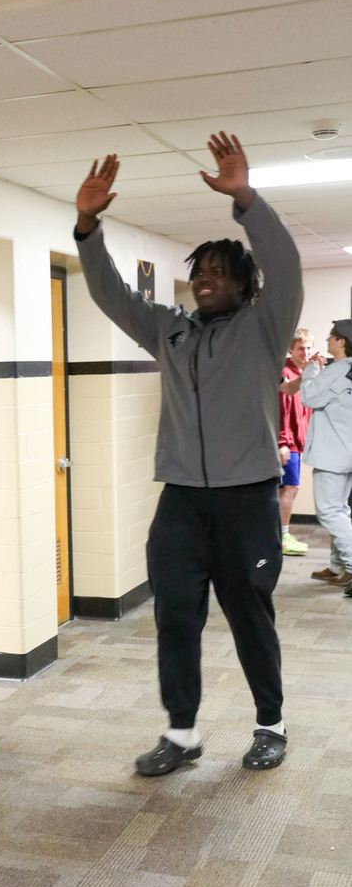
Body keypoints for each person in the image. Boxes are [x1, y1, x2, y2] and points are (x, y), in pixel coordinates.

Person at [74, 132, 302, 775]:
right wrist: (88, 228)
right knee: (176, 619)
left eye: (218, 273)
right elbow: (112, 295)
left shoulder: (265, 326)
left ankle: (270, 724)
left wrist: (246, 200)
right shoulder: (169, 331)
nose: (205, 280)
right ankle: (181, 735)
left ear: (244, 285)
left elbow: (284, 263)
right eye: (199, 272)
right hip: (179, 502)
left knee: (251, 617)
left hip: (246, 501)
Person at [299, 319, 352, 590]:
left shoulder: (337, 371)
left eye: (332, 336)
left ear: (342, 341)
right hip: (345, 452)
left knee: (330, 512)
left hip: (333, 454)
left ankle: (351, 565)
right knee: (340, 509)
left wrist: (310, 369)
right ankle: (337, 567)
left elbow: (308, 396)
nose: (327, 340)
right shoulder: (346, 370)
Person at [278, 328, 314, 555]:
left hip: (297, 442)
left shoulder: (304, 375)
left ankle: (281, 534)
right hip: (287, 443)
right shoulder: (286, 374)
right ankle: (282, 537)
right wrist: (282, 442)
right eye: (301, 348)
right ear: (291, 349)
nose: (305, 352)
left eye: (309, 348)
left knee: (291, 488)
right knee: (290, 488)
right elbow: (281, 413)